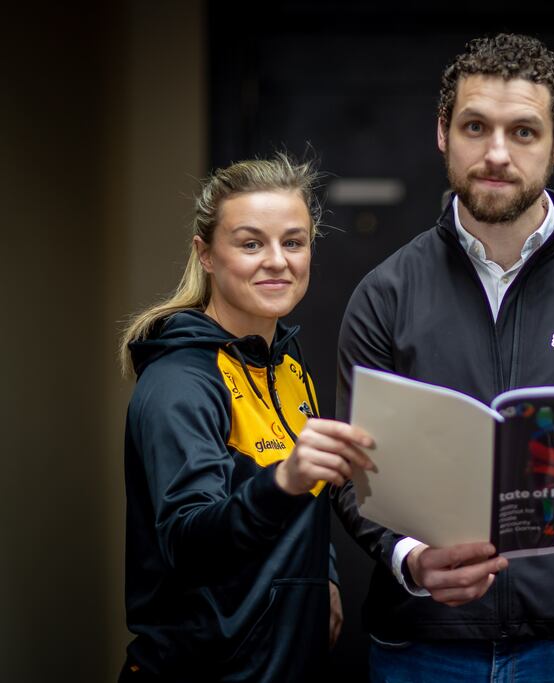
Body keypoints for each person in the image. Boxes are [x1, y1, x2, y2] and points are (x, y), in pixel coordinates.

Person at [334, 34, 554, 680]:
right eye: (475, 126)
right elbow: (354, 478)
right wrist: (409, 558)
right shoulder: (384, 296)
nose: (496, 153)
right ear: (443, 133)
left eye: (523, 131)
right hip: (422, 647)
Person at [119, 155, 375, 682]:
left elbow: (299, 497)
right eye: (251, 243)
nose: (278, 261)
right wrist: (285, 481)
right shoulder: (181, 382)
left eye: (294, 242)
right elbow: (188, 543)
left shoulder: (285, 362)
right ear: (207, 254)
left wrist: (318, 574)